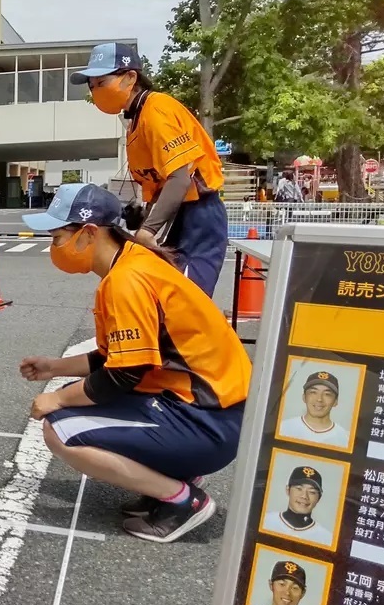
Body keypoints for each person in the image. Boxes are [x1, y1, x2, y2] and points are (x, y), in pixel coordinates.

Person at [18, 183, 251, 543]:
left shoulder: (126, 280)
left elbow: (125, 373)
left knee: (60, 427)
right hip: (216, 412)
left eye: (58, 236)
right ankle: (171, 478)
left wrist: (58, 399)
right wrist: (55, 368)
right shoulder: (135, 263)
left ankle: (184, 500)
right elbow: (122, 357)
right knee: (74, 398)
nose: (54, 248)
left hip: (208, 423)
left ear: (89, 233)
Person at [72, 42, 229, 296]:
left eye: (101, 83)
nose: (96, 91)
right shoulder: (138, 119)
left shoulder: (156, 110)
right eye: (92, 87)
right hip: (176, 216)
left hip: (197, 214)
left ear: (130, 77)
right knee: (160, 297)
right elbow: (160, 183)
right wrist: (144, 214)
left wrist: (148, 230)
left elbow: (179, 177)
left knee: (185, 301)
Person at [278, 369, 349, 448]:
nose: (319, 399)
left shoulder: (345, 438)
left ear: (335, 401)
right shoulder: (283, 428)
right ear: (304, 397)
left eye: (327, 394)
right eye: (313, 392)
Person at [261, 466, 330, 546]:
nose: (304, 496)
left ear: (319, 498)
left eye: (312, 492)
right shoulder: (265, 521)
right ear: (288, 490)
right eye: (299, 488)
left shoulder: (326, 538)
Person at [245, 561, 314, 605]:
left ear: (303, 593)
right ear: (271, 585)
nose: (287, 593)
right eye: (282, 584)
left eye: (295, 588)